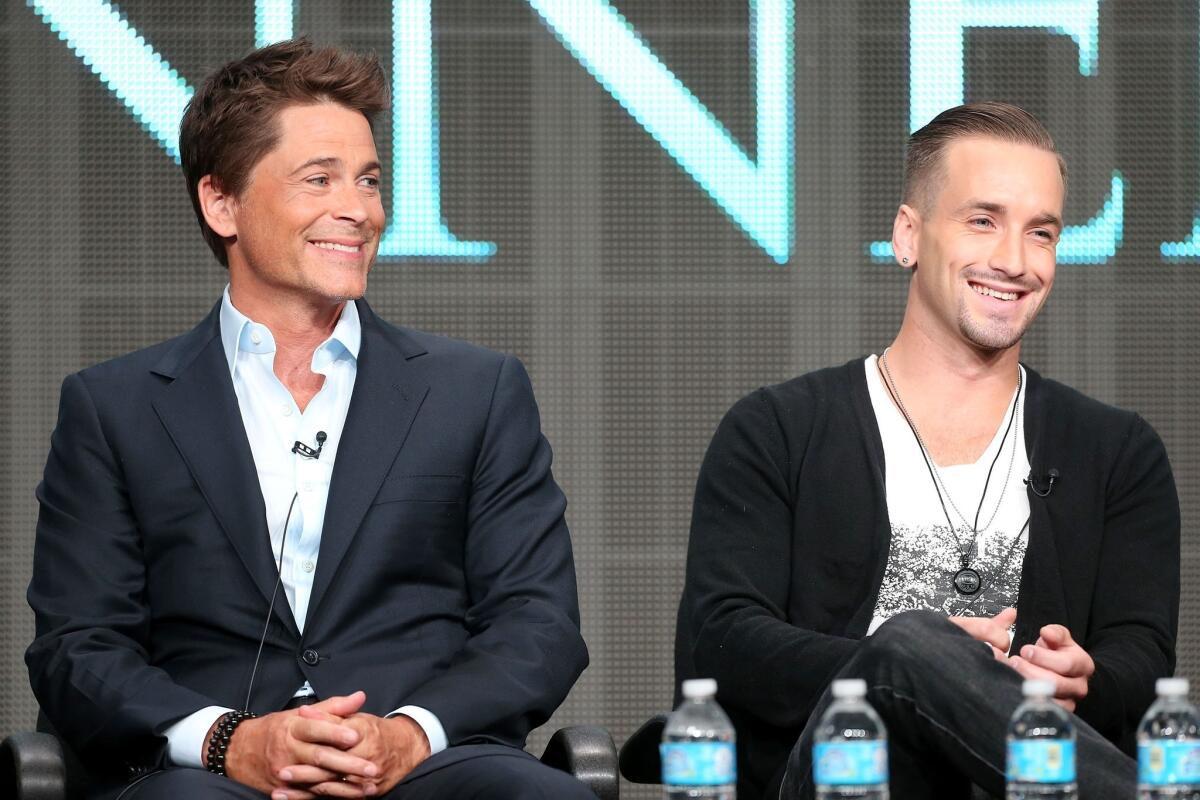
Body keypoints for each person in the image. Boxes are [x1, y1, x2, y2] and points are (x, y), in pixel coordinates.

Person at [26, 39, 594, 800]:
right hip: (209, 774)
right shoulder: (114, 406)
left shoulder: (476, 390)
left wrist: (409, 732)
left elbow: (538, 626)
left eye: (368, 180)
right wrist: (231, 740)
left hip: (421, 764)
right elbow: (78, 648)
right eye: (319, 180)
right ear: (220, 202)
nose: (358, 210)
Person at [674, 101, 1179, 799]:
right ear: (908, 236)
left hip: (1032, 784)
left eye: (1041, 233)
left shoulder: (1117, 451)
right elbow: (722, 642)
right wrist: (907, 663)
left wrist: (1080, 677)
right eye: (983, 220)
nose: (1013, 260)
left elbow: (1142, 659)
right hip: (837, 780)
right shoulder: (778, 429)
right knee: (911, 643)